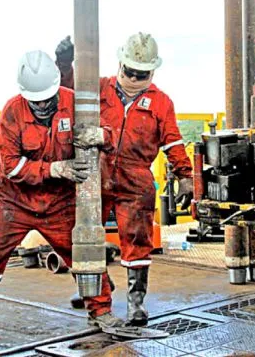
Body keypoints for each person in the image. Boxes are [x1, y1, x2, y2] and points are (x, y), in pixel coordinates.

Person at [0, 50, 124, 354]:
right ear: (25, 95)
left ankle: (101, 312)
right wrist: (54, 169)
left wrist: (102, 135)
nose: (43, 106)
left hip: (58, 202)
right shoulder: (12, 113)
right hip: (14, 200)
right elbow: (11, 166)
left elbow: (112, 134)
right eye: (37, 101)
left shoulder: (75, 103)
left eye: (47, 99)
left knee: (85, 254)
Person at [56, 33, 194, 327]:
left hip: (136, 179)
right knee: (81, 234)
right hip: (96, 173)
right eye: (129, 71)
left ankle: (136, 304)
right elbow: (66, 91)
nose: (133, 77)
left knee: (137, 241)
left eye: (140, 73)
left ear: (152, 72)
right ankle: (97, 291)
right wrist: (64, 63)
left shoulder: (161, 103)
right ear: (120, 64)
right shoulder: (99, 88)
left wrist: (185, 176)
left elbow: (172, 142)